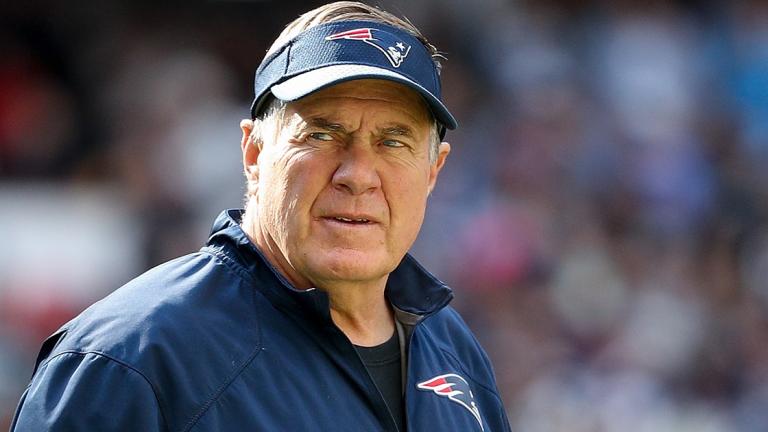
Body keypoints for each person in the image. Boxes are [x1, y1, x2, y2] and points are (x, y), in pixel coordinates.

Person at [10, 2, 511, 431]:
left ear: (433, 170)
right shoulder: (132, 359)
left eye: (393, 141)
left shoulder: (453, 349)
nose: (358, 175)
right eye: (321, 134)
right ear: (253, 152)